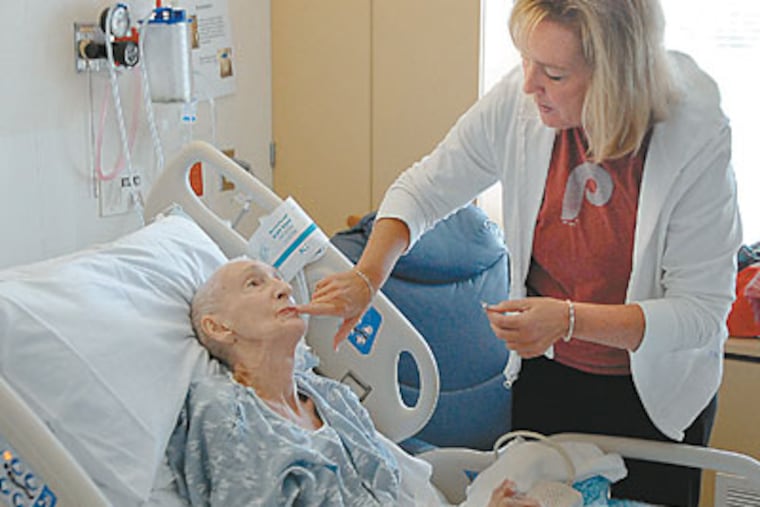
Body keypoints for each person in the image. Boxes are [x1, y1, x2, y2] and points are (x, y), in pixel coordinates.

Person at [296, 1, 742, 506]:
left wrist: (570, 319)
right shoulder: (521, 100)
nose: (529, 84)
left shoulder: (694, 134)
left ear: (616, 77)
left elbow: (702, 311)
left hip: (655, 393)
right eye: (526, 60)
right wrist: (367, 277)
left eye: (553, 73)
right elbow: (423, 191)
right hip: (549, 374)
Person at [166, 258, 542, 506]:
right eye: (254, 284)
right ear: (218, 327)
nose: (283, 289)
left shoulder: (332, 399)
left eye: (279, 280)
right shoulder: (225, 413)